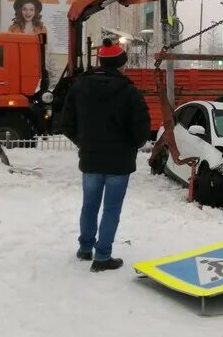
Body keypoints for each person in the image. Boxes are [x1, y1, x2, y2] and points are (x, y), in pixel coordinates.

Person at [62, 39, 150, 272]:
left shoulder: (79, 87)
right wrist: (130, 146)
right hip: (119, 163)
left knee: (89, 206)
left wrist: (84, 142)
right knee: (111, 209)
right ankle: (102, 257)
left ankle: (85, 248)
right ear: (120, 65)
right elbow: (141, 131)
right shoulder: (130, 92)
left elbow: (67, 123)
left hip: (90, 159)